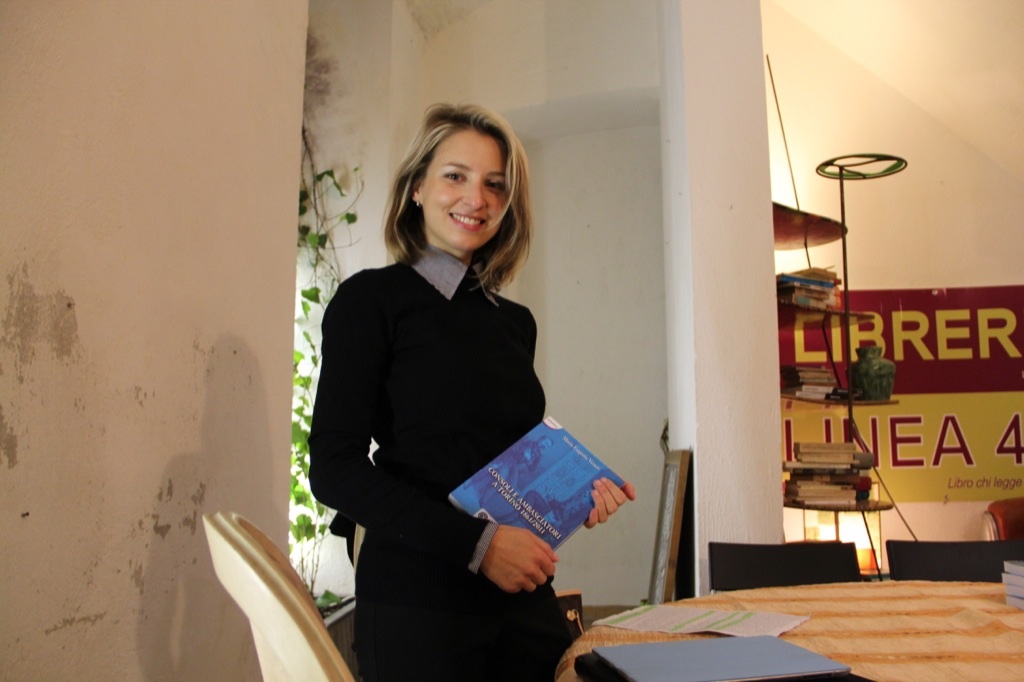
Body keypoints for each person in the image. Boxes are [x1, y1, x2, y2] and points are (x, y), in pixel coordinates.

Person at [308, 103, 636, 682]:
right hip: (417, 597)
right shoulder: (370, 301)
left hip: (518, 596)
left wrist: (569, 496)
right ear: (416, 187)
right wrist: (479, 546)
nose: (475, 198)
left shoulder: (516, 324)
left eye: (495, 185)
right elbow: (334, 470)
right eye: (455, 176)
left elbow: (490, 463)